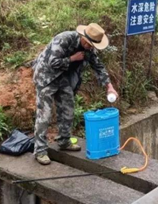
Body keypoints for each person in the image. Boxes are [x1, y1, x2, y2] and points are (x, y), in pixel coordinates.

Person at [32, 23, 119, 165]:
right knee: (45, 115)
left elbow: (99, 67)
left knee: (68, 110)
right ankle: (40, 151)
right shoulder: (64, 39)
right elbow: (52, 62)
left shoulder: (89, 49)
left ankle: (64, 141)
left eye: (93, 46)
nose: (91, 48)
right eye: (90, 44)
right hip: (46, 77)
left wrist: (109, 87)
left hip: (64, 78)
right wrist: (73, 58)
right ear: (84, 38)